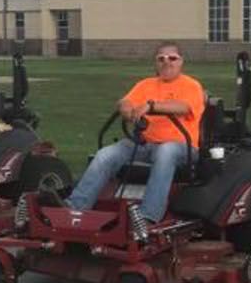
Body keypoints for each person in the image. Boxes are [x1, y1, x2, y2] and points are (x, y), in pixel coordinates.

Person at [64, 43, 206, 237]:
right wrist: (126, 109)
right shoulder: (146, 84)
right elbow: (125, 101)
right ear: (155, 63)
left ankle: (147, 217)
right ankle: (75, 207)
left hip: (181, 147)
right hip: (144, 144)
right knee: (106, 154)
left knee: (166, 151)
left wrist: (150, 106)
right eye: (161, 58)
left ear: (181, 62)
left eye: (172, 58)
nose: (167, 62)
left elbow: (182, 107)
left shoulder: (191, 85)